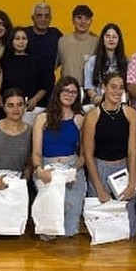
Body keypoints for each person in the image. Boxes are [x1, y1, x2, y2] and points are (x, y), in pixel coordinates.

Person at [83, 72, 136, 237]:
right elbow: (88, 154)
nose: (117, 91)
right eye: (113, 87)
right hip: (99, 168)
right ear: (104, 88)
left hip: (123, 168)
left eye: (121, 88)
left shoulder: (131, 114)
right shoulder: (93, 116)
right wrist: (99, 188)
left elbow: (132, 151)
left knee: (128, 232)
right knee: (103, 230)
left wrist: (132, 183)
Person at [31, 77, 86, 238]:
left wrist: (73, 170)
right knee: (51, 214)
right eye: (66, 90)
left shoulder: (80, 118)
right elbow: (36, 153)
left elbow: (84, 155)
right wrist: (39, 170)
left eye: (74, 92)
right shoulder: (42, 118)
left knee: (69, 225)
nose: (70, 94)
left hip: (72, 167)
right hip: (47, 168)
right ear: (58, 92)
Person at [0, 27, 48, 112]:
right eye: (17, 39)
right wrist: (3, 105)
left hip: (33, 108)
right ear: (11, 41)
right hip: (9, 109)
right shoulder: (3, 62)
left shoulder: (37, 61)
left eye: (24, 38)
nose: (21, 41)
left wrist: (35, 100)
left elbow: (45, 85)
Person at [25, 2, 62, 105]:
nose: (43, 19)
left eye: (46, 16)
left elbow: (63, 55)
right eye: (39, 15)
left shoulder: (56, 34)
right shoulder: (25, 34)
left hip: (48, 89)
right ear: (33, 18)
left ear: (51, 18)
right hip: (27, 88)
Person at [84, 22, 128, 106]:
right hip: (98, 103)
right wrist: (97, 98)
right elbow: (89, 86)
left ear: (119, 40)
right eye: (108, 36)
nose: (111, 39)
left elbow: (128, 87)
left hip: (120, 103)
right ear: (102, 39)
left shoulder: (126, 62)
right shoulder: (92, 61)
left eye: (114, 37)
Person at [57, 4, 98, 85]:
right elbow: (51, 66)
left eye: (87, 19)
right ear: (72, 20)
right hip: (67, 90)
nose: (83, 22)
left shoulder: (97, 42)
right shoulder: (63, 41)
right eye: (79, 18)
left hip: (88, 92)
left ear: (91, 21)